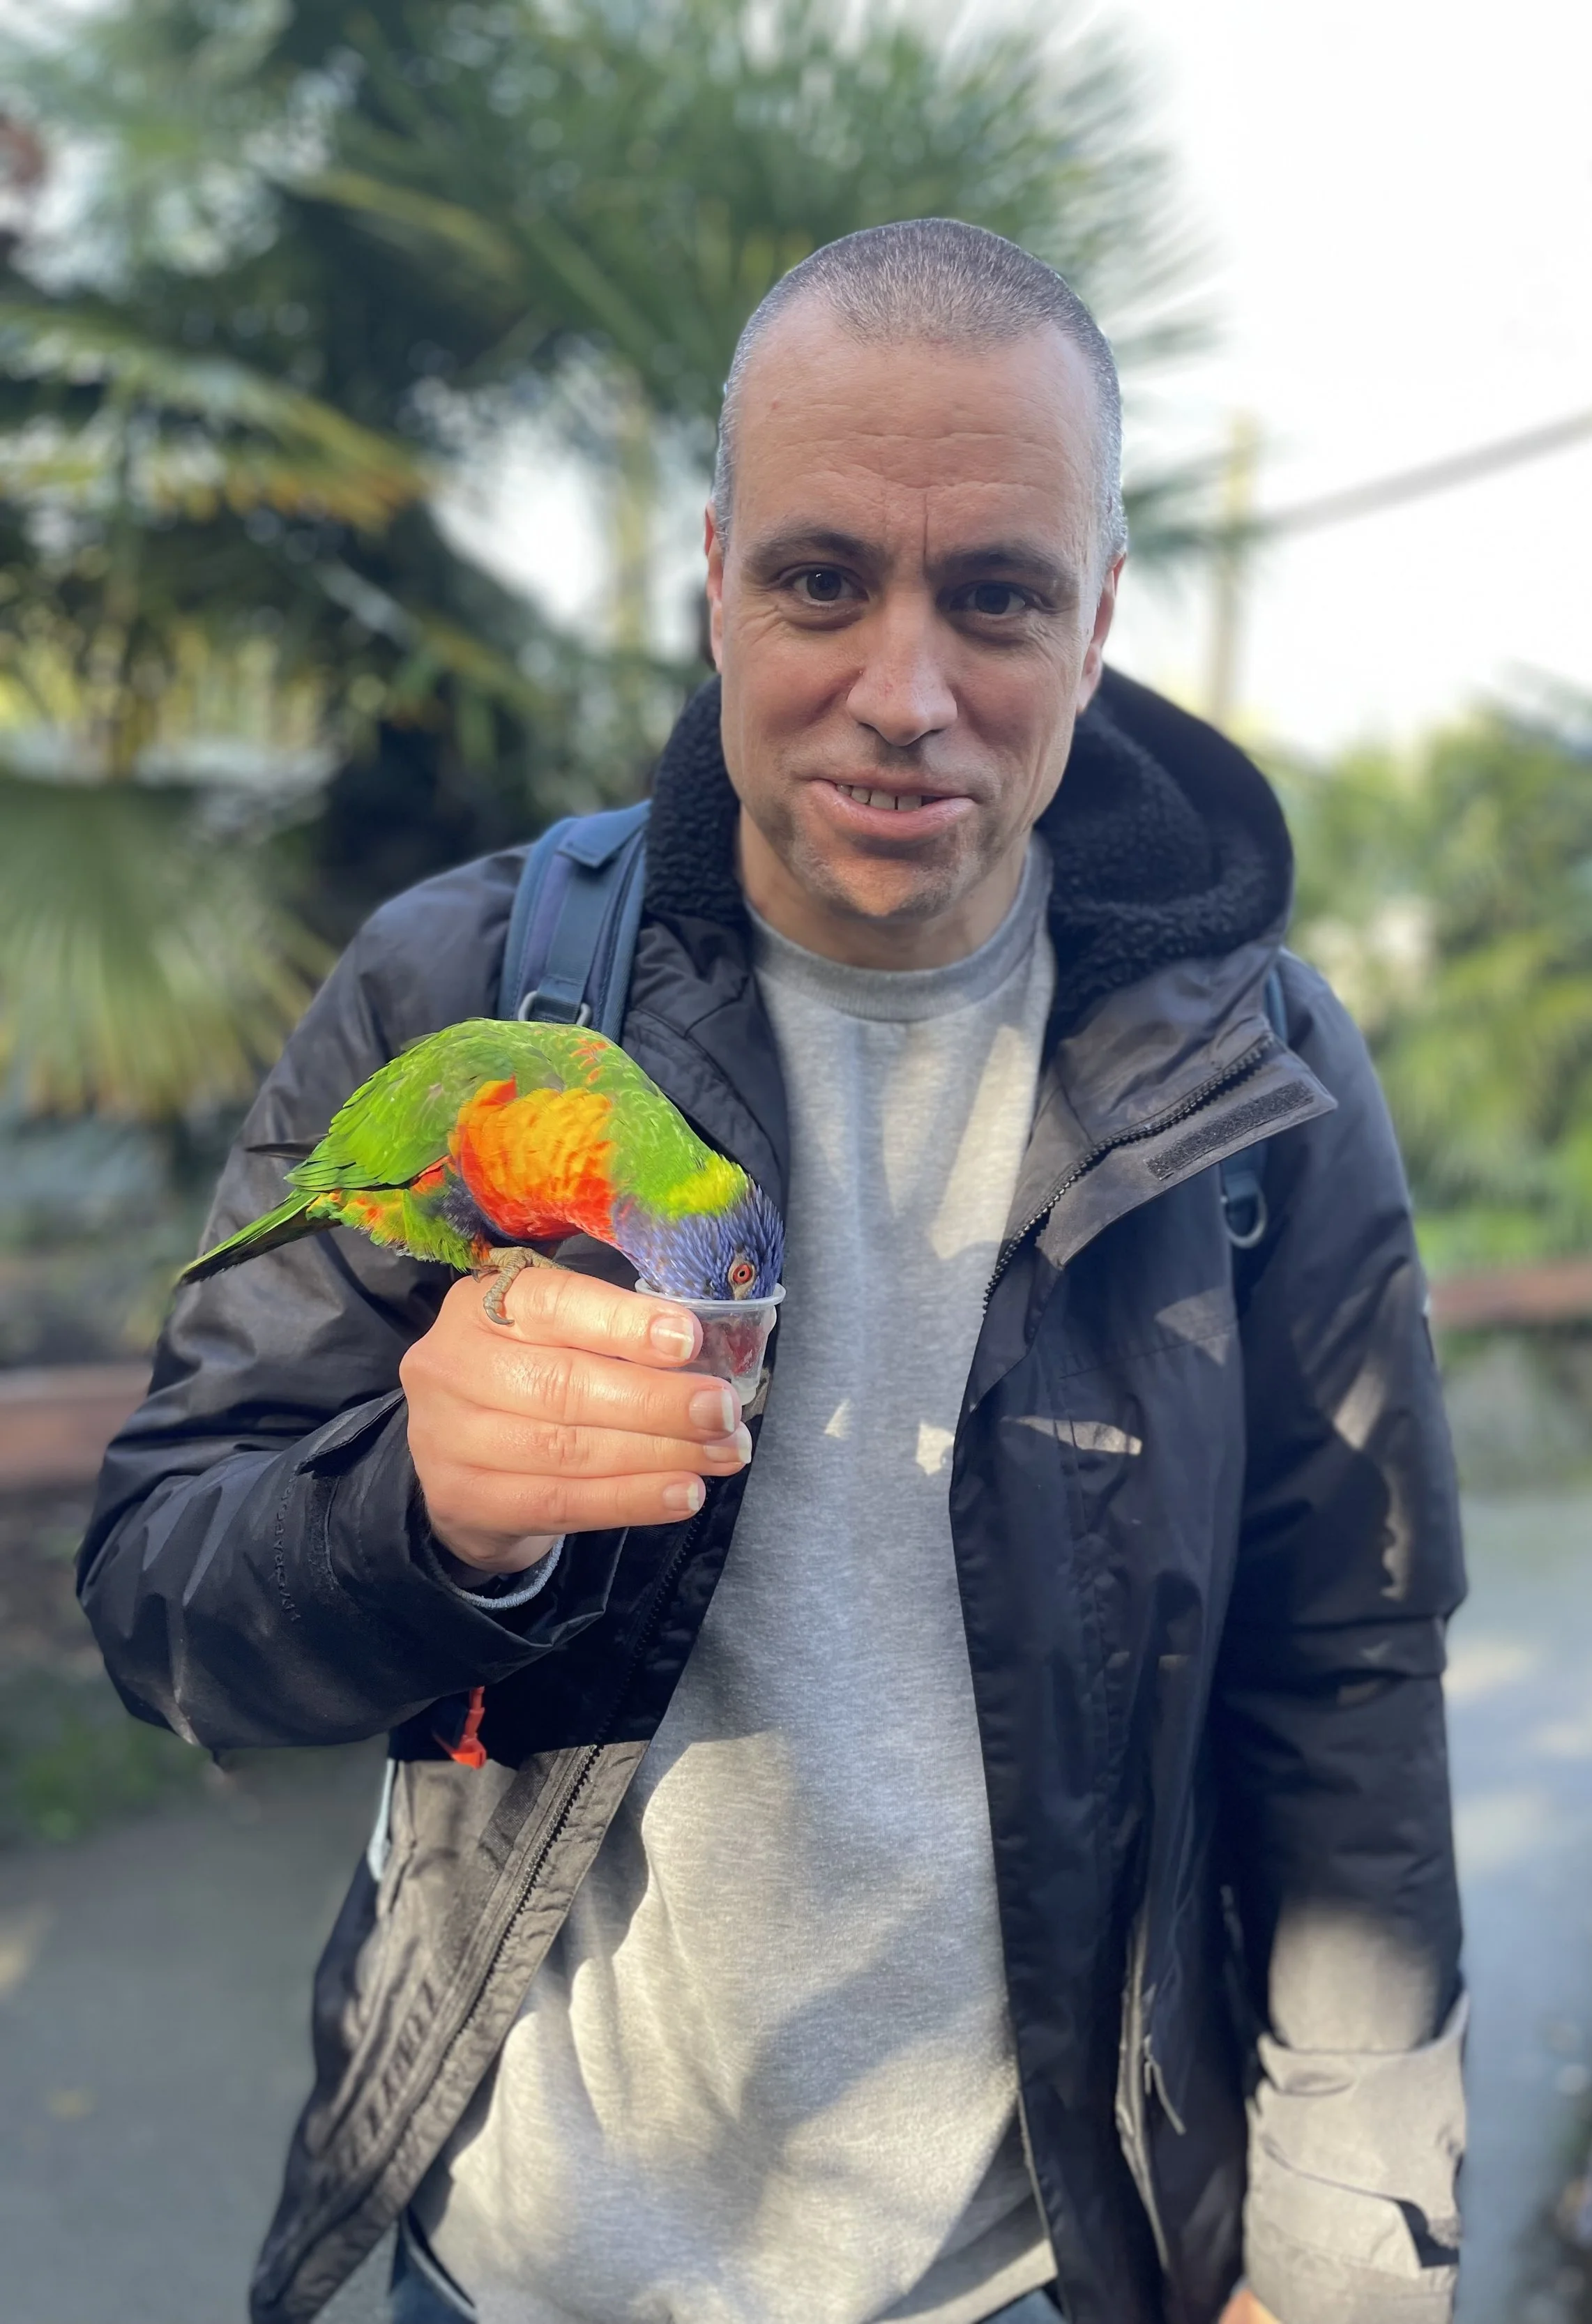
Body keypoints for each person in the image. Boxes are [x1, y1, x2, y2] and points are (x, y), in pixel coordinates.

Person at [80, 220, 1466, 2324]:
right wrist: (418, 1510)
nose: (901, 696)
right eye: (820, 579)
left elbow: (1345, 1676)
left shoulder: (1258, 1078)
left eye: (993, 597)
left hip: (1029, 2278)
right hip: (516, 2260)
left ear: (1095, 626)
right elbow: (167, 1604)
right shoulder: (462, 990)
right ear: (713, 579)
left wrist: (1346, 2260)